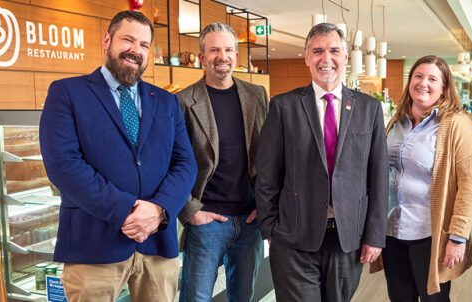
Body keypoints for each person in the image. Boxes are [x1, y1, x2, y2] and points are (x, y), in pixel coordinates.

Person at [39, 10, 197, 301]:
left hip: (157, 242)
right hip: (93, 246)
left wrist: (159, 209)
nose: (135, 50)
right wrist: (127, 210)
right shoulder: (67, 93)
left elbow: (185, 163)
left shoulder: (167, 101)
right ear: (107, 40)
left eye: (144, 45)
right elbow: (63, 165)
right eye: (128, 40)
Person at [254, 22, 388, 302]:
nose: (326, 59)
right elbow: (267, 173)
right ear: (306, 58)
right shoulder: (283, 106)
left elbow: (378, 177)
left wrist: (374, 235)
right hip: (293, 238)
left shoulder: (369, 108)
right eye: (317, 51)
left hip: (347, 238)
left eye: (334, 50)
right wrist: (270, 229)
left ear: (346, 58)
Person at [176, 22, 269, 302]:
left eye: (229, 49)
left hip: (249, 220)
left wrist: (265, 206)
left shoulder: (257, 96)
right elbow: (171, 163)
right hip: (206, 221)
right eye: (214, 49)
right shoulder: (182, 101)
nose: (222, 56)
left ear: (237, 57)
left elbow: (269, 157)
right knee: (196, 298)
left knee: (242, 297)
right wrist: (190, 211)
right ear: (202, 57)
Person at [381, 55, 472, 302]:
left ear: (444, 87)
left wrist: (458, 237)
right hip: (392, 230)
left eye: (432, 79)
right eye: (418, 76)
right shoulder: (397, 120)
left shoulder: (457, 125)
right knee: (399, 297)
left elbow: (469, 187)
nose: (423, 83)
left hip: (429, 234)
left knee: (433, 299)